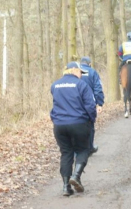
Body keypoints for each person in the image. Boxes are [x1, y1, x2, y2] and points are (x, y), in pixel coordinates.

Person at [50, 61, 97, 196]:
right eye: (80, 73)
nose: (81, 75)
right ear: (74, 71)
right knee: (83, 149)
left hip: (59, 125)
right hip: (79, 123)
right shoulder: (81, 85)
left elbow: (55, 104)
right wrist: (91, 119)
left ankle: (66, 186)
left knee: (66, 153)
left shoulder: (55, 85)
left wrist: (54, 118)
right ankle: (76, 176)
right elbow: (90, 106)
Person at [80, 56, 104, 156]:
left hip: (74, 102)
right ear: (89, 64)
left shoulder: (74, 71)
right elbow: (98, 88)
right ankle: (90, 147)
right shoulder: (93, 72)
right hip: (89, 102)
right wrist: (99, 103)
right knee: (90, 124)